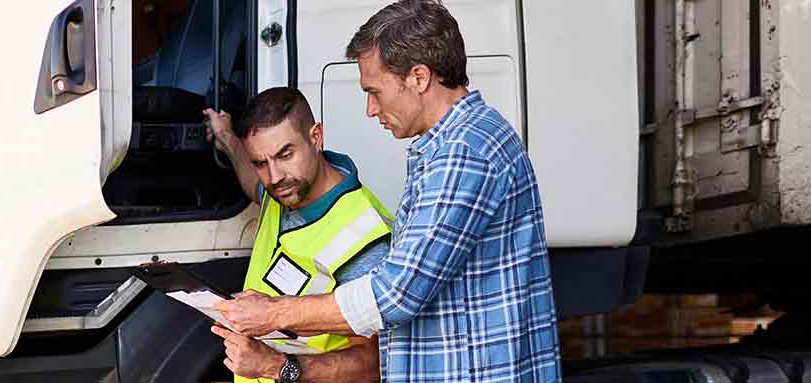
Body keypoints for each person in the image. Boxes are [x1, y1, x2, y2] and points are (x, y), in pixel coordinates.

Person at [211, 1, 561, 382]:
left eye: (374, 91)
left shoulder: (464, 154)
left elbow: (395, 295)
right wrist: (228, 139)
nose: (370, 109)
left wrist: (273, 314)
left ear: (419, 77)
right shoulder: (460, 142)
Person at [201, 87, 388, 383]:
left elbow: (375, 364)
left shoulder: (365, 239)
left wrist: (275, 366)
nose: (275, 177)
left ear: (316, 137)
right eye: (261, 162)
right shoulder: (280, 193)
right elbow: (253, 183)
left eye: (285, 154)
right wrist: (227, 137)